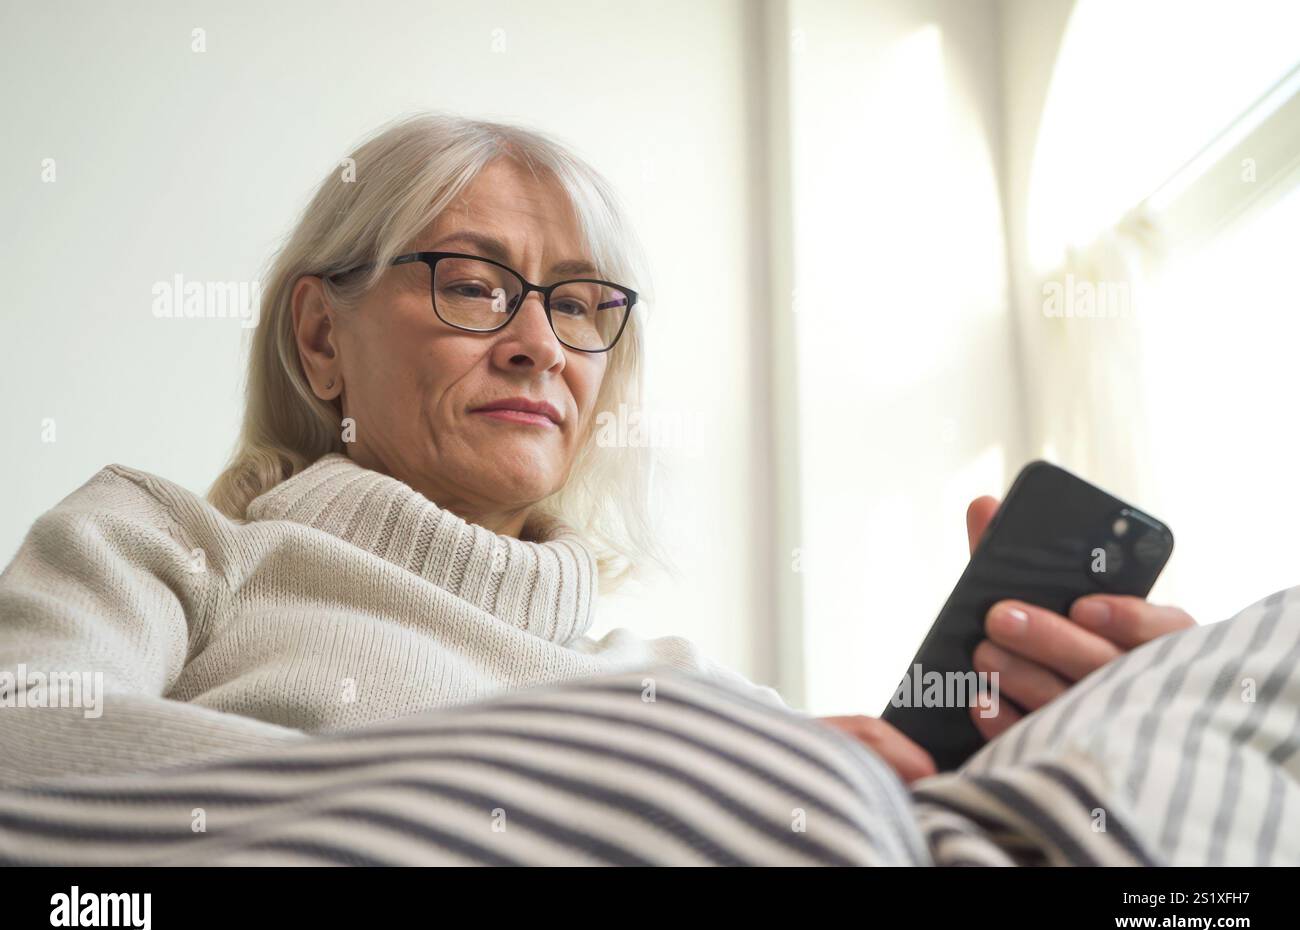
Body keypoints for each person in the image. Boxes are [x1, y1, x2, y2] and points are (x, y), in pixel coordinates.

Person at [0, 112, 1194, 788]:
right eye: (474, 285)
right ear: (322, 337)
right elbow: (33, 777)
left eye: (578, 307)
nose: (539, 345)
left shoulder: (697, 695)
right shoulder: (163, 543)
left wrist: (1083, 761)